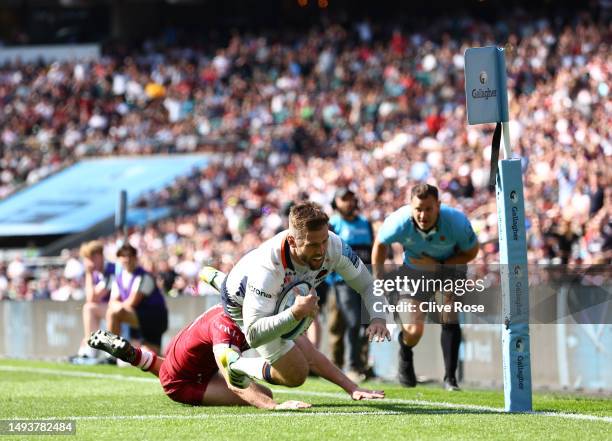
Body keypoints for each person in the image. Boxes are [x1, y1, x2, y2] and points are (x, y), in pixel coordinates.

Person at [204, 201, 390, 395]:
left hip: (282, 295)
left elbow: (368, 284)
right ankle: (236, 364)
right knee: (296, 375)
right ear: (292, 241)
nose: (321, 251)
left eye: (324, 241)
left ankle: (219, 279)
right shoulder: (268, 267)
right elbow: (253, 334)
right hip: (239, 301)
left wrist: (378, 316)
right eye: (312, 245)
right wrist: (294, 313)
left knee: (307, 353)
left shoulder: (335, 246)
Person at [88, 305, 310, 410]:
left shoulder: (227, 308)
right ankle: (135, 356)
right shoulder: (227, 327)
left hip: (181, 358)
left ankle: (134, 355)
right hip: (183, 383)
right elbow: (235, 383)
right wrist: (273, 406)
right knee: (263, 392)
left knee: (175, 369)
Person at [372, 184, 479, 391]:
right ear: (410, 207)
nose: (423, 215)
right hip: (414, 270)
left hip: (449, 268)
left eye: (428, 209)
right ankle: (405, 349)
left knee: (448, 314)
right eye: (418, 209)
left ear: (438, 206)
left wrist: (439, 267)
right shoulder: (398, 221)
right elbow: (380, 245)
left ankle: (450, 378)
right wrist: (379, 278)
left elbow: (472, 252)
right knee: (413, 330)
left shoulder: (456, 221)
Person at [327, 186, 376, 381]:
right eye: (343, 199)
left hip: (364, 282)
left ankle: (361, 364)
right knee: (347, 323)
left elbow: (371, 252)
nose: (348, 202)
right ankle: (345, 365)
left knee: (365, 324)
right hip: (342, 282)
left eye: (351, 198)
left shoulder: (365, 223)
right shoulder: (333, 224)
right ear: (336, 203)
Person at [106, 244, 168, 356]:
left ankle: (112, 352)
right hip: (138, 318)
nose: (127, 259)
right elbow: (112, 301)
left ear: (135, 258)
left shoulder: (144, 276)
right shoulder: (119, 278)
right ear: (119, 259)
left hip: (154, 319)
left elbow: (132, 302)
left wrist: (117, 307)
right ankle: (112, 352)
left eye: (130, 255)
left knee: (151, 357)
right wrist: (117, 306)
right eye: (123, 256)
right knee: (147, 357)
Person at [76, 240, 115, 359]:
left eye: (92, 258)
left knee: (89, 309)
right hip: (110, 309)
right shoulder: (98, 274)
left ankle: (91, 348)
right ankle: (89, 343)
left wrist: (88, 274)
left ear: (100, 256)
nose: (89, 262)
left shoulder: (111, 271)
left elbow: (91, 298)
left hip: (121, 310)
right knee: (89, 308)